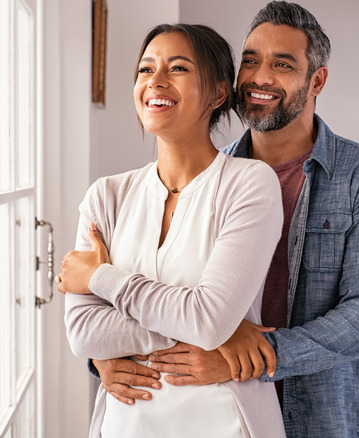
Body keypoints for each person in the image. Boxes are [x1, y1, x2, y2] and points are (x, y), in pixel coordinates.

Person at [90, 2, 359, 437]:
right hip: (215, 413)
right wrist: (102, 355)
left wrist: (256, 354)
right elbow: (161, 292)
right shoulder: (207, 178)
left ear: (317, 80)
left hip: (323, 417)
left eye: (282, 64)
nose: (260, 78)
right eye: (250, 61)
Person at [59, 23, 286, 438]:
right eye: (146, 70)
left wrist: (99, 278)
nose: (155, 81)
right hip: (124, 424)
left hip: (225, 422)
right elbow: (83, 333)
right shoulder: (105, 196)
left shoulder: (250, 183)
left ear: (218, 93)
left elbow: (210, 319)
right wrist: (207, 325)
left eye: (177, 68)